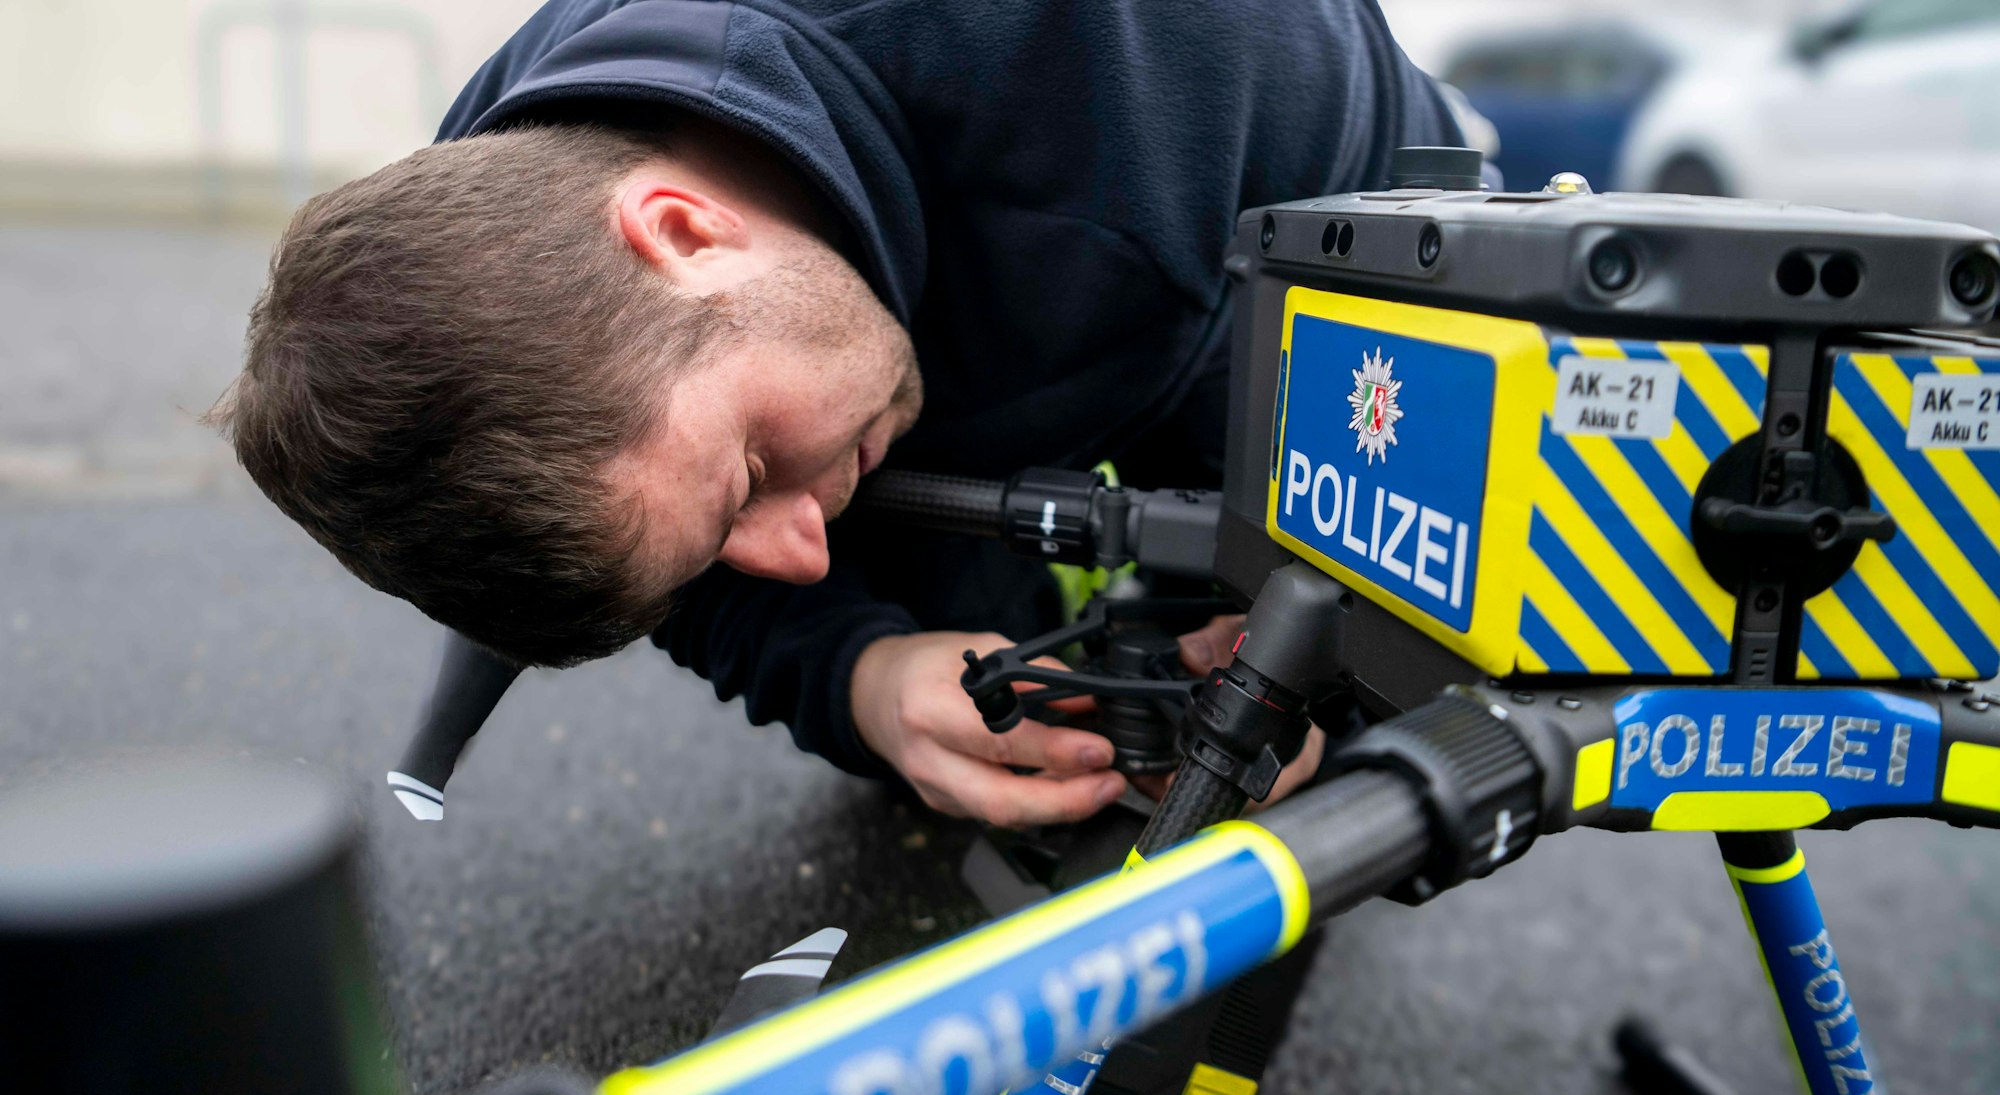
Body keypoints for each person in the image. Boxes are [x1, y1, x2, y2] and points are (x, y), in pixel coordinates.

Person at [208, 0, 1470, 829]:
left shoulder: (1142, 93)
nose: (798, 550)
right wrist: (860, 677)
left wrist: (1310, 646)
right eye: (729, 525)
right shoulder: (510, 194)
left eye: (751, 470)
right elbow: (675, 548)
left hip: (1229, 225)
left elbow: (1414, 441)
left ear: (684, 231)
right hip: (930, 293)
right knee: (988, 725)